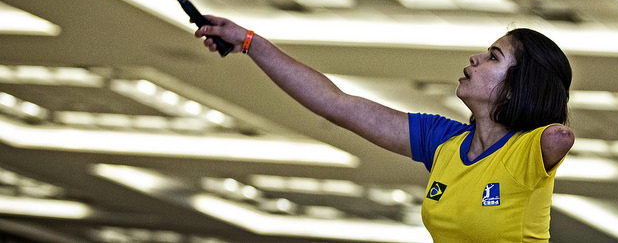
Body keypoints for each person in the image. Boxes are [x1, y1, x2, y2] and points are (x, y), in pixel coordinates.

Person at [195, 17, 574, 243]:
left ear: (520, 83)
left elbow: (560, 137)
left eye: (494, 56)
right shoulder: (443, 142)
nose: (475, 58)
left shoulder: (526, 152)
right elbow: (335, 103)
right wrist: (249, 42)